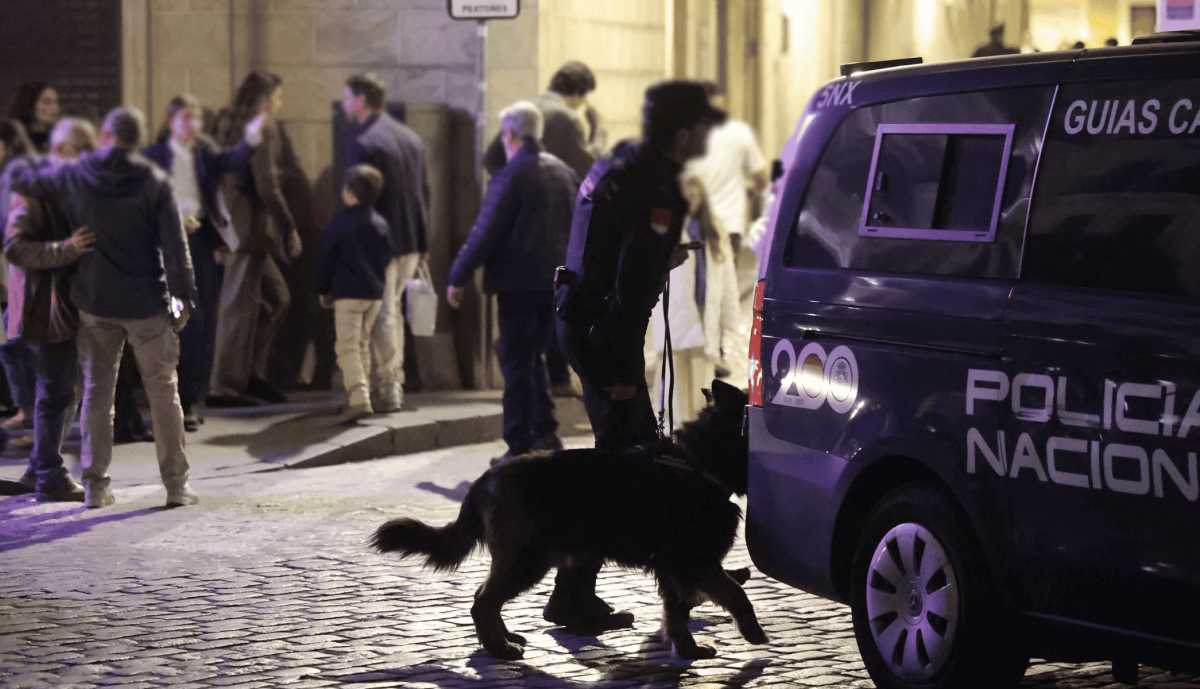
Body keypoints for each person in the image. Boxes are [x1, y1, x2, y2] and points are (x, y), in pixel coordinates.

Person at [549, 79, 726, 630]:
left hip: (579, 317)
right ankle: (579, 592)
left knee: (630, 461)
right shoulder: (660, 186)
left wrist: (658, 258)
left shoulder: (620, 160)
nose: (708, 137)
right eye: (702, 128)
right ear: (682, 133)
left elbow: (611, 246)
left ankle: (675, 576)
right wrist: (623, 372)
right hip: (605, 335)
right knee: (626, 470)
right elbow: (629, 290)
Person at [7, 106, 199, 508]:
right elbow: (175, 250)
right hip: (145, 301)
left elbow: (33, 185)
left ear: (108, 138)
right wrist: (185, 299)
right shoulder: (154, 182)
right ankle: (177, 486)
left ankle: (96, 486)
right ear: (139, 141)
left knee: (96, 393)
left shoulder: (79, 179)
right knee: (164, 392)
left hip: (93, 303)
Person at [447, 101, 577, 465]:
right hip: (556, 283)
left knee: (517, 361)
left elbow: (484, 231)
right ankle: (546, 434)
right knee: (534, 357)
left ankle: (520, 445)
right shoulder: (563, 171)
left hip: (518, 284)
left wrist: (458, 275)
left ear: (509, 135)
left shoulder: (510, 176)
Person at [143, 94, 260, 430]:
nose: (194, 125)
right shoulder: (153, 156)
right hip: (164, 244)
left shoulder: (204, 152)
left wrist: (252, 134)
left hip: (198, 242)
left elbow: (233, 160)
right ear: (171, 120)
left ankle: (192, 400)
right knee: (165, 320)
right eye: (187, 118)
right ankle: (164, 402)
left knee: (199, 319)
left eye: (197, 119)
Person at [4, 118, 99, 501]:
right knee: (56, 390)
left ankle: (38, 469)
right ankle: (50, 476)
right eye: (85, 150)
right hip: (45, 304)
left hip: (60, 301)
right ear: (60, 151)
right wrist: (66, 250)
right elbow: (14, 245)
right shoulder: (36, 188)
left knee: (62, 389)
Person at [207, 71, 302, 408]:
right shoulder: (262, 127)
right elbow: (267, 186)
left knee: (277, 299)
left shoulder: (227, 123)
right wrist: (289, 225)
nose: (278, 103)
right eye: (276, 97)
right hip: (246, 232)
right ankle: (222, 387)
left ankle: (249, 376)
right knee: (236, 308)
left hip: (236, 230)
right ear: (264, 99)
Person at [342, 73, 431, 413]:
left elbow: (360, 198)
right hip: (409, 238)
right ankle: (389, 384)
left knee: (383, 317)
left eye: (349, 98)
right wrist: (423, 240)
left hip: (379, 243)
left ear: (361, 101)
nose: (347, 104)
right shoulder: (410, 138)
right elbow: (424, 192)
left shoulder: (363, 141)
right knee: (390, 312)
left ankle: (387, 387)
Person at [685, 81, 767, 377]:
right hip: (727, 225)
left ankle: (695, 349)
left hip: (694, 222)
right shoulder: (740, 134)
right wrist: (747, 192)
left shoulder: (687, 136)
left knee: (693, 285)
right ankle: (714, 350)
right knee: (719, 288)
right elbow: (760, 178)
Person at [315, 164, 393, 422]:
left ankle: (358, 398)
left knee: (346, 347)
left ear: (349, 193)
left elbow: (326, 258)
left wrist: (323, 289)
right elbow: (386, 258)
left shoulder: (339, 222)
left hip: (347, 294)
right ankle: (364, 394)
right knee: (362, 345)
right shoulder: (381, 223)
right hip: (373, 294)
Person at [650, 173, 724, 430]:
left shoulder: (712, 228)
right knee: (673, 374)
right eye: (686, 196)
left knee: (701, 375)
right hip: (676, 310)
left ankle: (699, 427)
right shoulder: (664, 225)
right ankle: (674, 430)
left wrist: (730, 315)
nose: (691, 200)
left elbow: (726, 275)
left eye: (695, 194)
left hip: (705, 309)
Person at [0, 119, 39, 439]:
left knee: (22, 343)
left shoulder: (20, 175)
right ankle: (26, 410)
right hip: (9, 268)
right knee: (11, 345)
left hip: (19, 269)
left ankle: (36, 419)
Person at [6, 83, 60, 153]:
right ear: (31, 105)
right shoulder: (12, 138)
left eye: (56, 102)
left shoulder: (57, 136)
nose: (55, 108)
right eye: (47, 102)